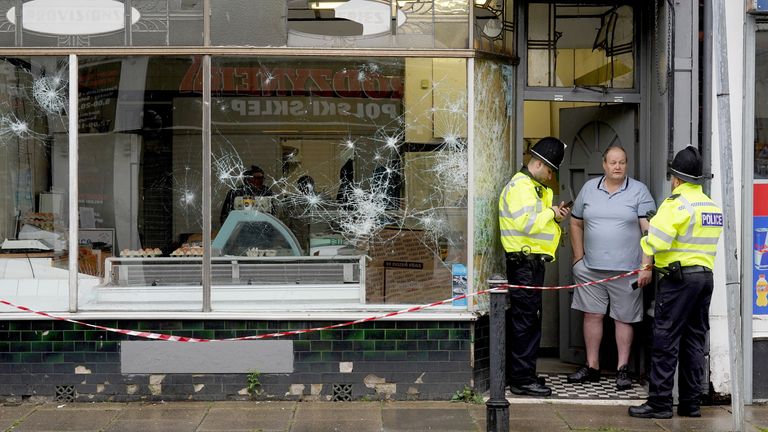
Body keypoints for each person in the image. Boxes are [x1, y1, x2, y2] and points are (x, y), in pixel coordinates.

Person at [628, 146, 723, 419]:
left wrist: (649, 231)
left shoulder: (675, 204)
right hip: (705, 278)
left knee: (665, 340)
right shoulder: (710, 206)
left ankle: (659, 403)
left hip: (678, 280)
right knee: (694, 341)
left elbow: (657, 242)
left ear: (676, 179)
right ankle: (691, 404)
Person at [567, 145, 656, 390]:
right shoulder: (589, 189)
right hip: (591, 269)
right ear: (604, 165)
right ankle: (592, 366)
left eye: (622, 162)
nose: (617, 167)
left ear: (626, 165)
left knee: (623, 319)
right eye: (612, 162)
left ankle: (622, 369)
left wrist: (646, 266)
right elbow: (575, 223)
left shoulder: (639, 191)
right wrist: (577, 258)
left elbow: (650, 231)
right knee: (591, 315)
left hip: (627, 271)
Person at [498, 136, 570, 397]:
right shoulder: (521, 187)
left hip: (531, 265)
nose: (551, 177)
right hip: (524, 265)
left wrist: (553, 214)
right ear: (538, 164)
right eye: (550, 170)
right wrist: (551, 213)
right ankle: (520, 380)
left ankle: (525, 373)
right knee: (525, 322)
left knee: (529, 322)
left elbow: (533, 224)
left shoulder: (533, 188)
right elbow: (526, 224)